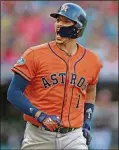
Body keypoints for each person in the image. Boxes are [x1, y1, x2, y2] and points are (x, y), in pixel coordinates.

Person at [7, 3, 102, 149]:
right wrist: (40, 115)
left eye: (65, 21)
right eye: (58, 20)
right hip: (39, 135)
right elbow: (13, 92)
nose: (59, 25)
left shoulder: (92, 60)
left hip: (73, 136)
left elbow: (90, 90)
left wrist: (87, 124)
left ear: (77, 27)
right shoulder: (34, 54)